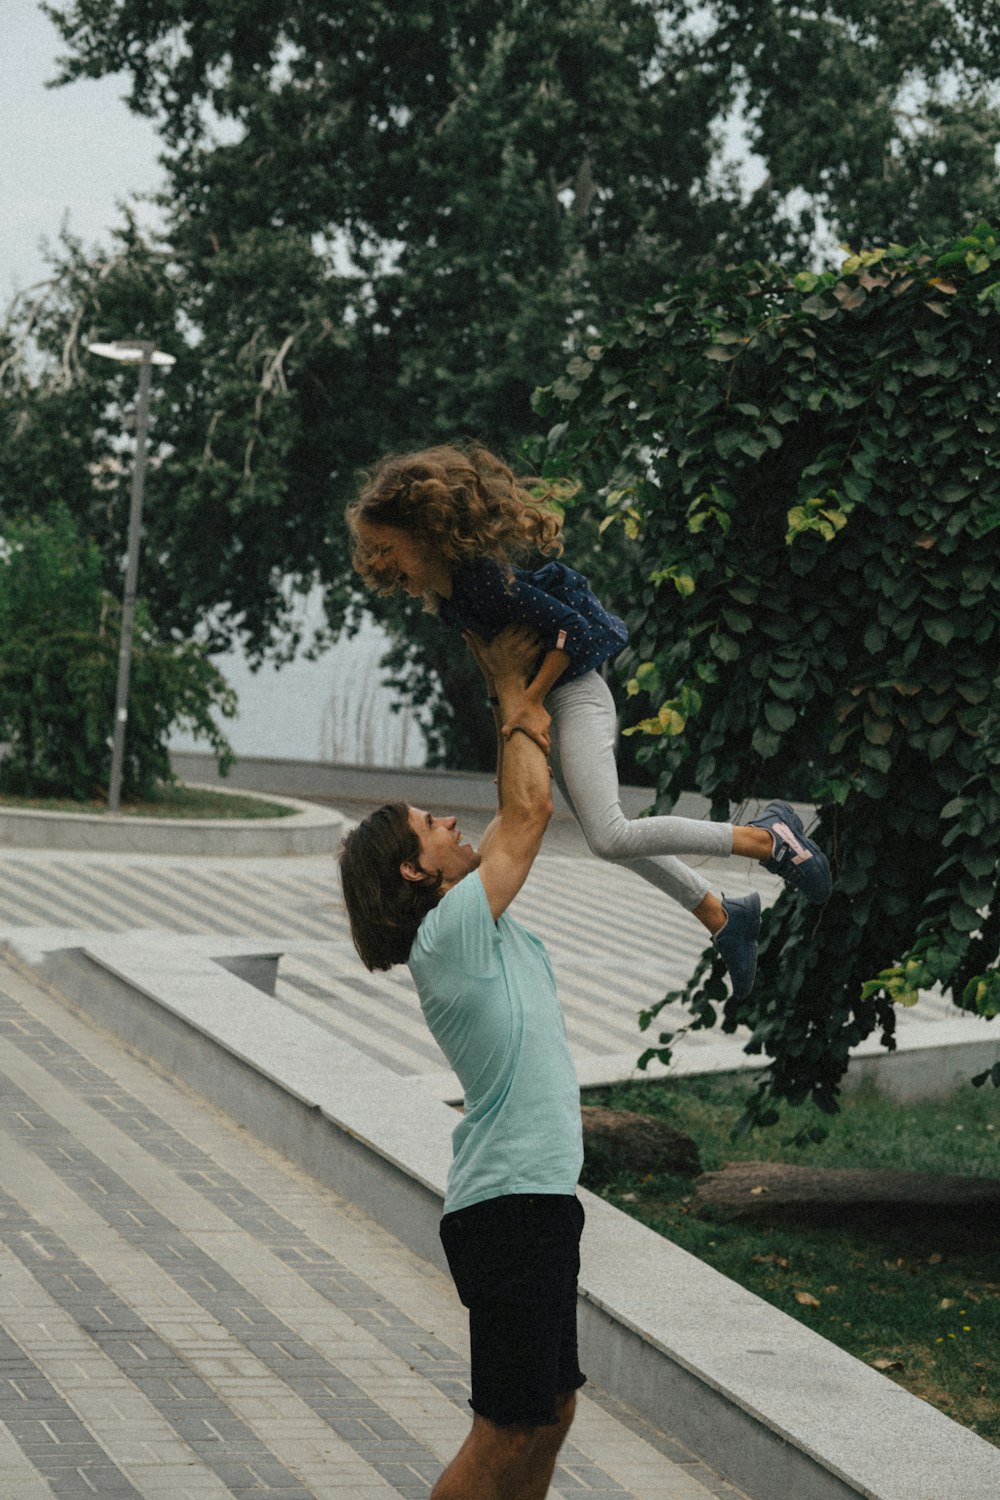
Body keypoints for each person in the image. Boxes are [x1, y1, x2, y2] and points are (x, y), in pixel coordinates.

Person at [346, 441, 832, 1002]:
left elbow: (572, 633)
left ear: (425, 532)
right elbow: (493, 668)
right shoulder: (452, 600)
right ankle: (722, 913)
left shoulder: (481, 579)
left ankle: (767, 838)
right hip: (540, 701)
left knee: (609, 833)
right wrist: (513, 718)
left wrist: (529, 700)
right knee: (609, 839)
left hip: (574, 693)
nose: (381, 566)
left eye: (386, 549)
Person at [339, 625, 587, 1500]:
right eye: (430, 824)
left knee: (551, 1411)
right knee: (504, 1428)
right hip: (509, 1205)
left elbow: (520, 810)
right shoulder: (448, 933)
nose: (451, 820)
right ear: (415, 871)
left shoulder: (480, 924)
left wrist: (520, 700)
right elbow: (529, 814)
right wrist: (517, 695)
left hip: (539, 1198)